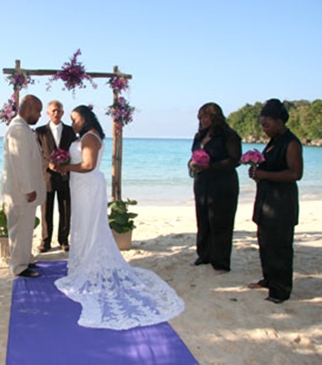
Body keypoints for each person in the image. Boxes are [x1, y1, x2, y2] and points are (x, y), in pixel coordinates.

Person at [53, 105, 184, 329]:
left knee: (90, 225)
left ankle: (90, 263)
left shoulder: (91, 137)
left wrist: (65, 167)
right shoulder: (85, 136)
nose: (72, 123)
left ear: (84, 118)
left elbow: (88, 165)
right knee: (83, 225)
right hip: (81, 185)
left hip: (87, 187)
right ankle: (83, 260)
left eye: (75, 119)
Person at [247, 99, 303, 304]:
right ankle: (269, 279)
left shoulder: (291, 143)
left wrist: (264, 174)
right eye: (262, 125)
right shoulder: (273, 142)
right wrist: (257, 172)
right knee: (266, 243)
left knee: (280, 246)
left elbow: (296, 173)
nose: (264, 129)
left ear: (279, 122)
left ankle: (281, 290)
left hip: (282, 203)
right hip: (266, 201)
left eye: (266, 125)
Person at [189, 102, 242, 272]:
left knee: (221, 222)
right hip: (202, 183)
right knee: (203, 219)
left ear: (216, 117)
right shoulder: (199, 136)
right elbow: (194, 155)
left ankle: (220, 261)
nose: (203, 120)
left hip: (223, 183)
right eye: (200, 117)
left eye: (206, 116)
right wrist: (192, 164)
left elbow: (235, 160)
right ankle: (204, 255)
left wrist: (211, 166)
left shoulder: (229, 135)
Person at [2, 95, 46, 278]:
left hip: (24, 192)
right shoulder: (18, 130)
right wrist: (28, 189)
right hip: (20, 192)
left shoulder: (23, 128)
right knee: (19, 230)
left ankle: (25, 259)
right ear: (28, 109)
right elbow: (20, 163)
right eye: (38, 111)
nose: (40, 115)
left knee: (25, 228)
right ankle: (19, 267)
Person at [35, 100, 77, 253]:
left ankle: (64, 240)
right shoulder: (40, 132)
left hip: (66, 177)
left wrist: (67, 165)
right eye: (53, 111)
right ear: (48, 113)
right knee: (46, 211)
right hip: (46, 177)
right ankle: (45, 241)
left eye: (59, 110)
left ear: (63, 112)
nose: (56, 113)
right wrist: (48, 164)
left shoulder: (70, 131)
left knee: (65, 210)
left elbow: (74, 152)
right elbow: (36, 154)